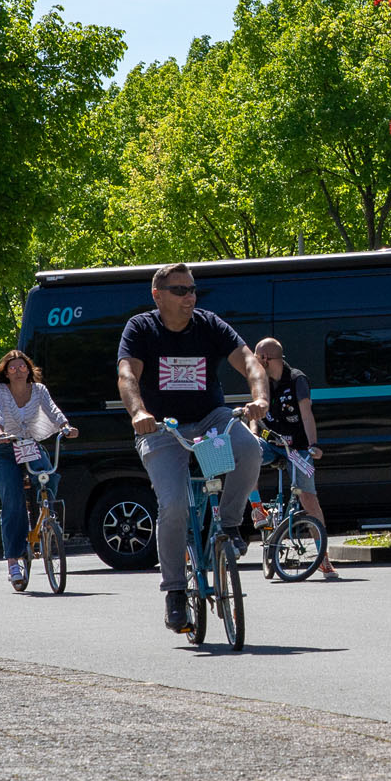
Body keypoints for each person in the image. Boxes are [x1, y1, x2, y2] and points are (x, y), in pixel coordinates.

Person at [117, 263, 268, 632]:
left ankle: (230, 526)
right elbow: (126, 376)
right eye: (180, 291)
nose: (190, 297)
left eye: (192, 290)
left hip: (208, 421)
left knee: (249, 448)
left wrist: (260, 398)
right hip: (161, 428)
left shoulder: (209, 324)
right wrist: (139, 413)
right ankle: (174, 592)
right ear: (158, 295)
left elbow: (250, 362)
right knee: (173, 505)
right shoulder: (141, 328)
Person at [0, 350, 76, 585]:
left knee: (48, 476)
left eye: (22, 367)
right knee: (12, 502)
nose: (18, 371)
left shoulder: (39, 390)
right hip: (5, 450)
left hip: (29, 446)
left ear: (29, 369)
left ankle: (46, 519)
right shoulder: (0, 391)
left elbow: (52, 410)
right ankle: (13, 562)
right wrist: (0, 432)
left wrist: (65, 426)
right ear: (5, 372)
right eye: (12, 368)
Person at [251, 336, 338, 579]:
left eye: (257, 358)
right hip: (270, 443)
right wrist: (252, 435)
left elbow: (306, 414)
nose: (254, 362)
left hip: (296, 448)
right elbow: (254, 414)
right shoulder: (259, 379)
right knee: (245, 456)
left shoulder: (297, 379)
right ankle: (257, 508)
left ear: (266, 359)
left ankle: (323, 558)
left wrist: (313, 446)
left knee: (309, 500)